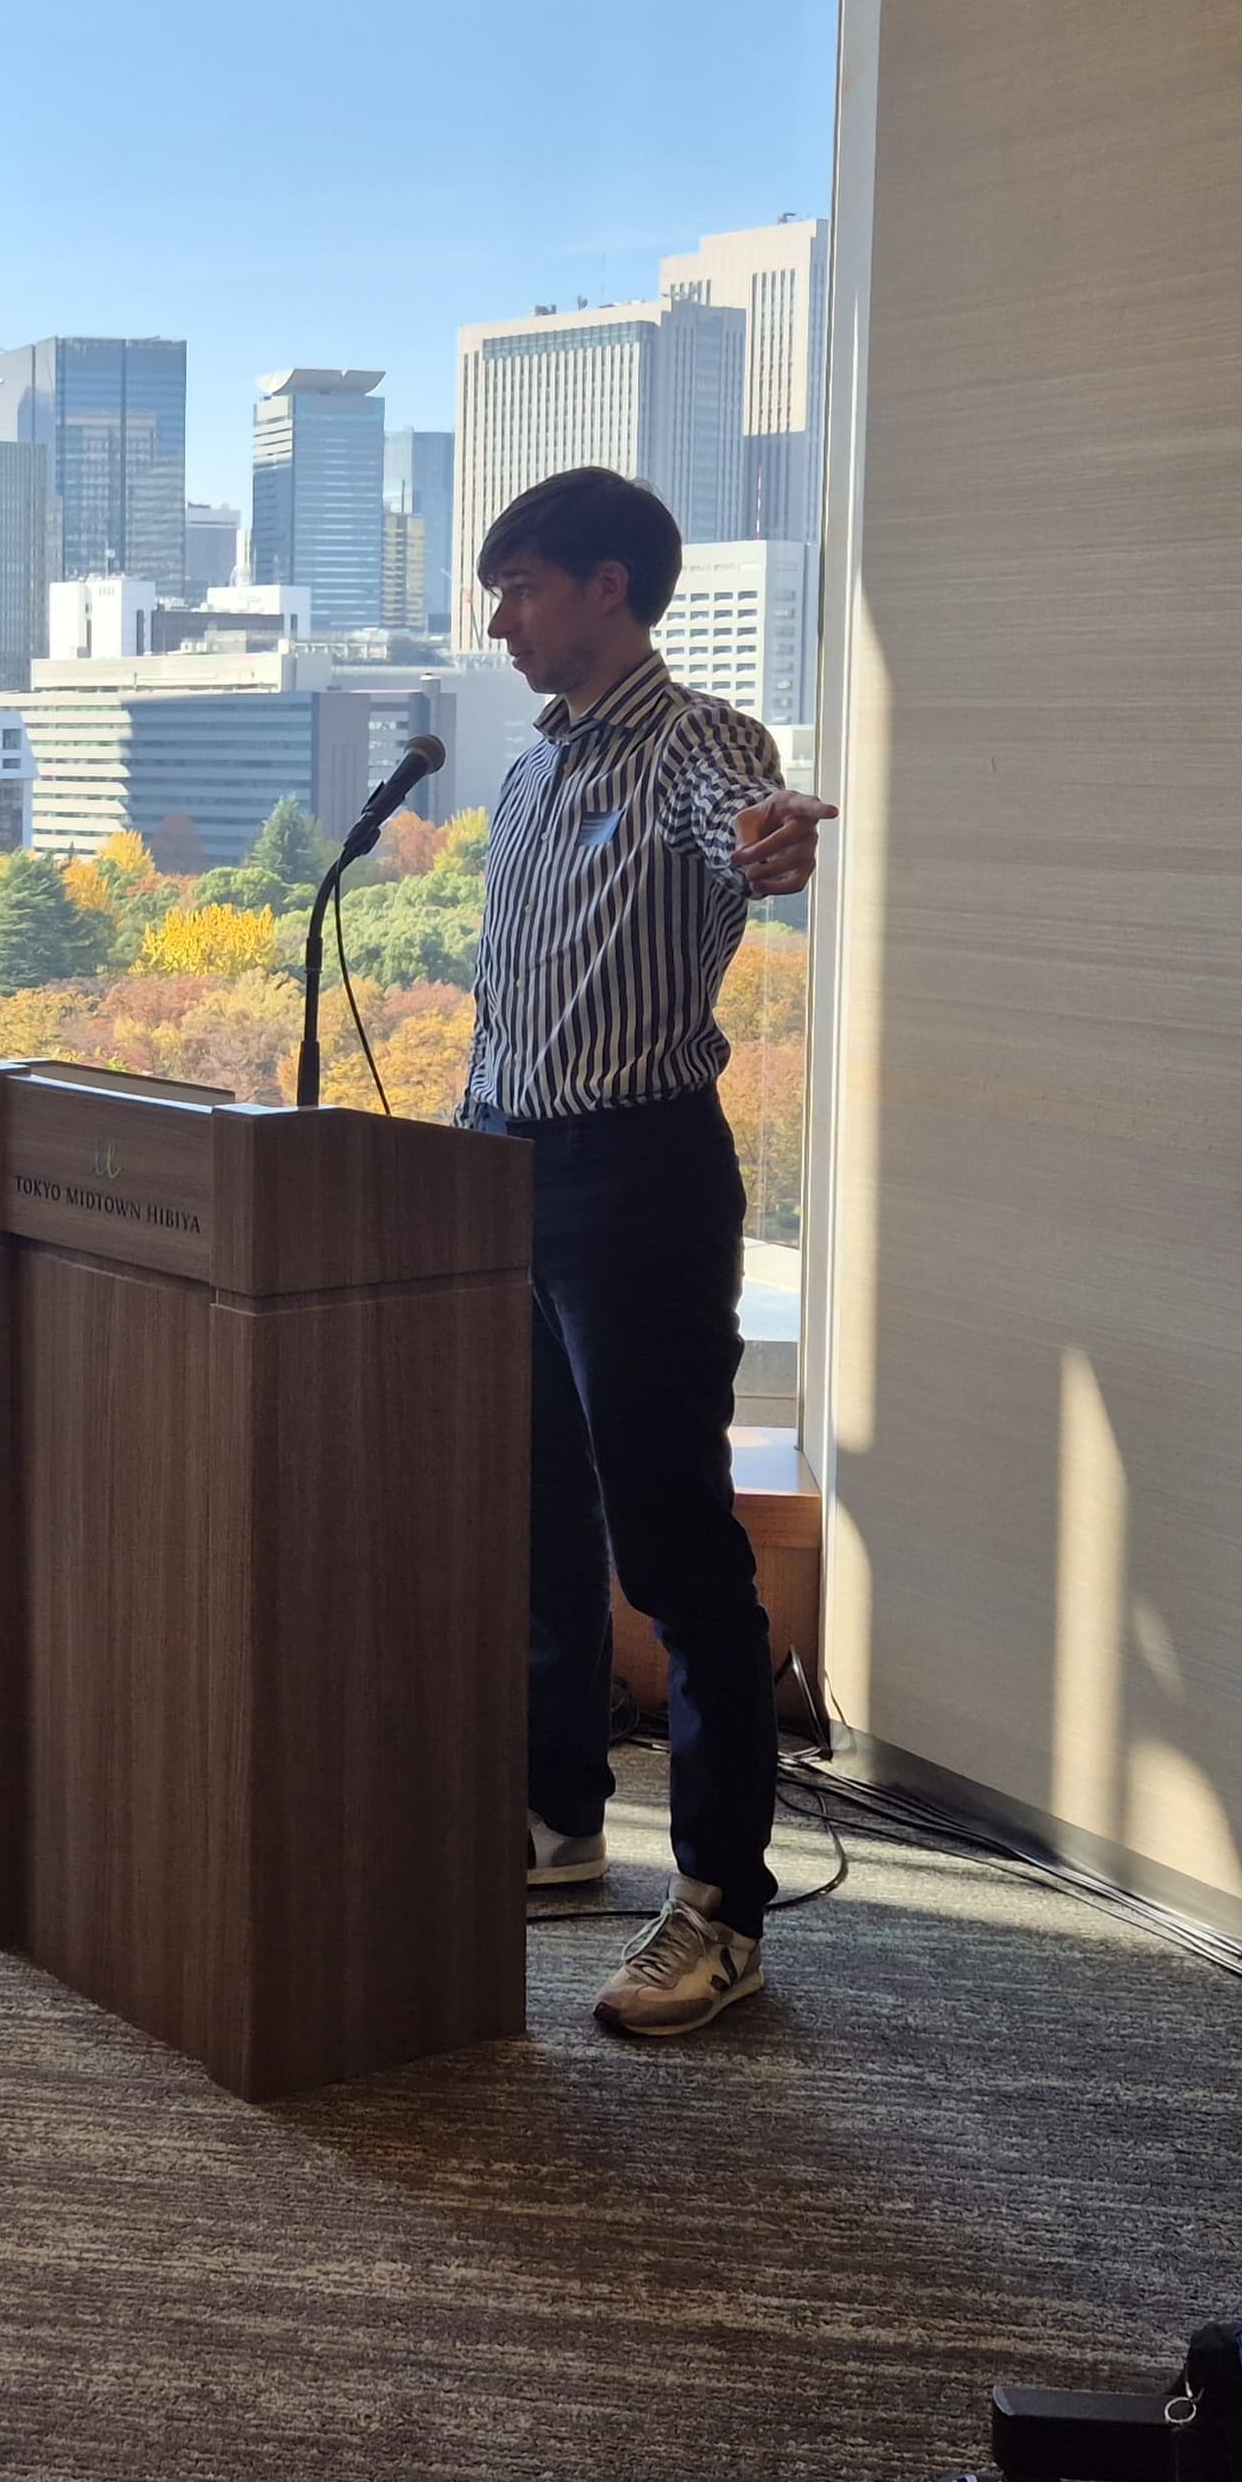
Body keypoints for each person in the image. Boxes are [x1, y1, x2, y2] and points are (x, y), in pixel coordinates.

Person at [461, 466, 833, 2040]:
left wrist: (768, 844)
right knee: (531, 1518)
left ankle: (719, 1909)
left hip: (636, 1183)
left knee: (676, 1551)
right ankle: (554, 1824)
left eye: (525, 591)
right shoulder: (533, 769)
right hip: (499, 1174)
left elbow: (738, 827)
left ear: (610, 587)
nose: (501, 625)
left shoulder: (704, 744)